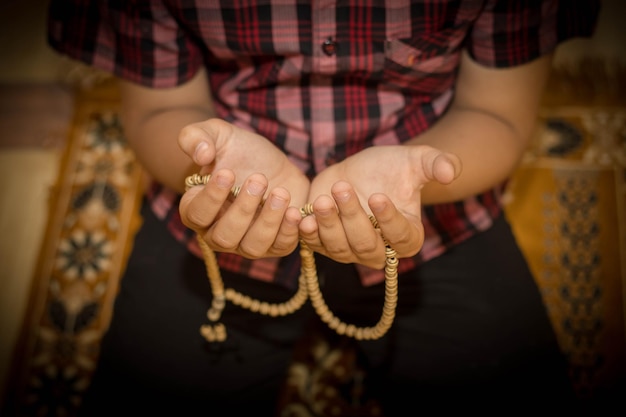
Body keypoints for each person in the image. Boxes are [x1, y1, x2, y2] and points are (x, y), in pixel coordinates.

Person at [47, 1, 600, 415]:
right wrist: (217, 172)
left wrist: (413, 172)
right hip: (223, 213)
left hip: (433, 210)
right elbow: (159, 111)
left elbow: (496, 115)